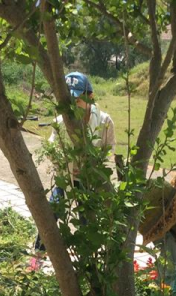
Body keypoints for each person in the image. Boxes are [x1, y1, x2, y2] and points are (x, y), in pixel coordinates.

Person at [29, 72, 116, 268]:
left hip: (89, 181)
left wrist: (90, 167)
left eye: (78, 98)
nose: (74, 103)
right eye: (70, 98)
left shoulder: (104, 121)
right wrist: (65, 164)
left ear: (90, 96)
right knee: (51, 215)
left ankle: (88, 264)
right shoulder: (60, 121)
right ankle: (37, 258)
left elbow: (109, 149)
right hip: (65, 178)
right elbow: (52, 148)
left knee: (87, 221)